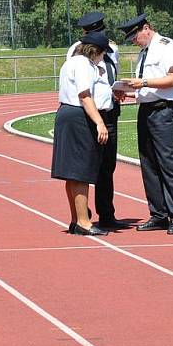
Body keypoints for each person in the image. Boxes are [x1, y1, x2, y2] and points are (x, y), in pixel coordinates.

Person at [118, 13, 173, 235]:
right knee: (148, 164)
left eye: (134, 36)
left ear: (146, 28)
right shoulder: (144, 52)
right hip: (147, 110)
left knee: (168, 163)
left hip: (164, 111)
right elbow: (147, 90)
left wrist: (144, 82)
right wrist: (127, 93)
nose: (133, 41)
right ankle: (158, 214)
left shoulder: (167, 46)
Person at [67, 12, 128, 230]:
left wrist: (118, 91)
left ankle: (106, 213)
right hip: (90, 113)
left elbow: (110, 76)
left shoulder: (111, 48)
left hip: (110, 111)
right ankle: (82, 214)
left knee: (107, 166)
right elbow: (82, 87)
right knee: (85, 165)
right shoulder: (78, 51)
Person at [51, 31, 112, 236]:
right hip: (78, 117)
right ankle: (84, 222)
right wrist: (100, 123)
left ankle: (76, 219)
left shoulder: (71, 62)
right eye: (103, 54)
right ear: (96, 51)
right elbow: (85, 96)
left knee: (72, 172)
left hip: (67, 114)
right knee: (80, 171)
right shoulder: (84, 65)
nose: (102, 58)